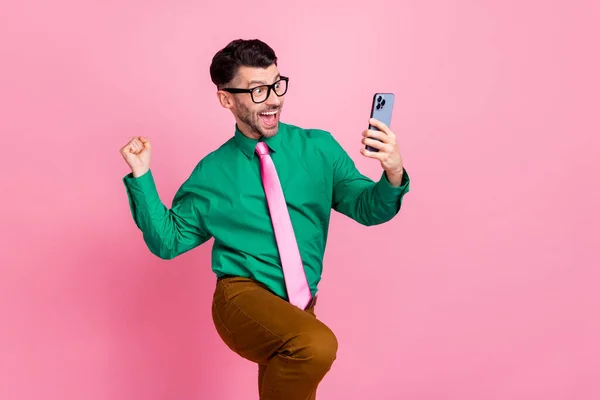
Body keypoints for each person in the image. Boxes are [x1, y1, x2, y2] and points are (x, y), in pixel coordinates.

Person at [119, 38, 410, 400]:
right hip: (241, 297)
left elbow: (369, 208)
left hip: (299, 306)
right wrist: (142, 177)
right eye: (257, 89)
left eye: (276, 84)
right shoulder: (213, 172)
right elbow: (168, 240)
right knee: (316, 345)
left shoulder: (319, 148)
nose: (273, 98)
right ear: (227, 98)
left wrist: (393, 172)